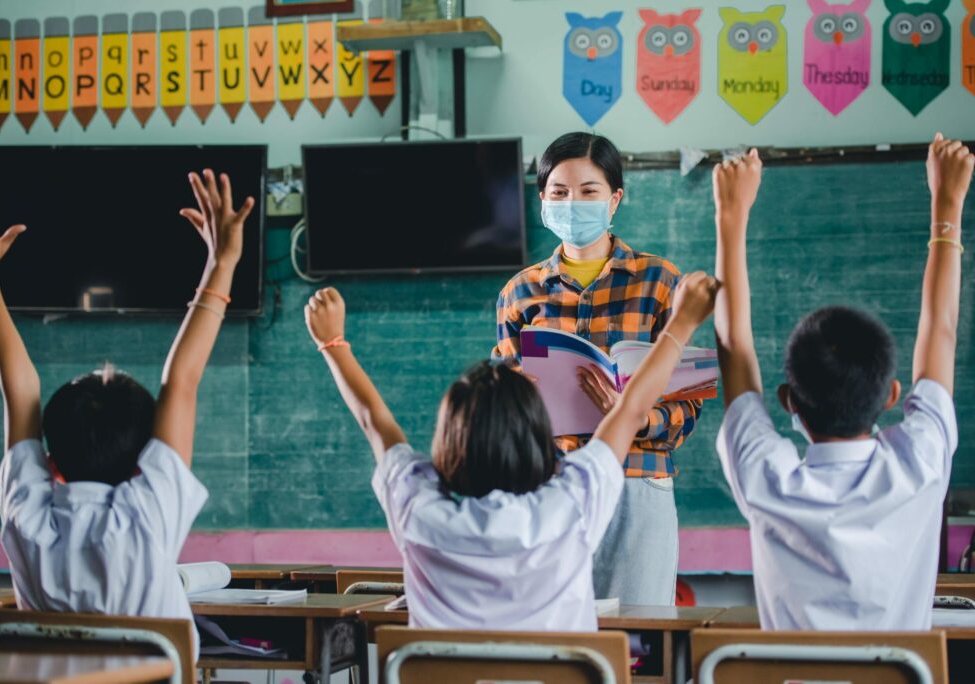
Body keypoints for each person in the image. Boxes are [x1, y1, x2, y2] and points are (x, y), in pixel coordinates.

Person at [304, 272, 717, 630]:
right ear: (538, 439)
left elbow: (375, 423)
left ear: (448, 441)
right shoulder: (569, 503)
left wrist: (333, 343)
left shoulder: (417, 504)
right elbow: (628, 413)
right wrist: (679, 326)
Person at [0, 170, 254, 650]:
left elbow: (19, 388)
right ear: (143, 462)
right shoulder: (147, 514)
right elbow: (182, 382)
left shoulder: (29, 518)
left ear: (50, 466)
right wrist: (223, 261)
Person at [712, 135, 973, 629]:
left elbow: (733, 345)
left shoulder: (769, 477)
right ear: (893, 395)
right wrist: (947, 203)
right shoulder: (918, 465)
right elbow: (942, 328)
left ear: (789, 400)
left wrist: (732, 213)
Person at [494, 132, 701, 605]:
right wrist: (515, 398)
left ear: (615, 199)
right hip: (549, 487)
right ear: (542, 199)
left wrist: (631, 415)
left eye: (589, 191)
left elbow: (686, 405)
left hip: (637, 481)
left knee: (641, 644)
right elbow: (497, 414)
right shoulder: (519, 293)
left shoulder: (661, 282)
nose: (573, 203)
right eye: (560, 192)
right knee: (556, 640)